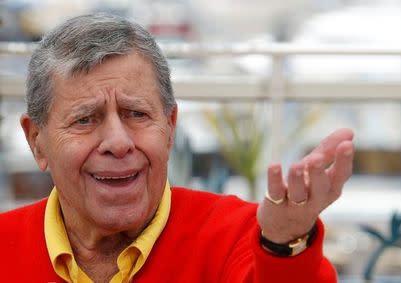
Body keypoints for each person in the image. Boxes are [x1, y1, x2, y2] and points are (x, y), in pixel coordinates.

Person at [0, 14, 354, 283]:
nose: (119, 143)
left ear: (170, 127)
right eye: (85, 119)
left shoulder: (242, 235)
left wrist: (284, 244)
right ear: (37, 142)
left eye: (136, 114)